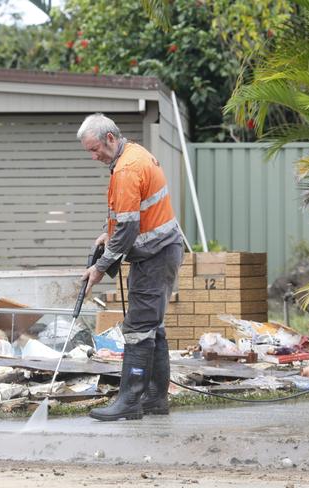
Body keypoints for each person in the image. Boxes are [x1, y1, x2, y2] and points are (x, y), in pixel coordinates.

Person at [77, 113, 184, 421]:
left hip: (155, 254)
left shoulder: (126, 168)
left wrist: (100, 268)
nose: (94, 156)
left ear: (110, 138)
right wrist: (106, 232)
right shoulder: (134, 154)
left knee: (138, 329)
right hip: (161, 250)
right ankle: (154, 399)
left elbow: (127, 228)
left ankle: (130, 401)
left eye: (95, 149)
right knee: (153, 327)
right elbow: (126, 212)